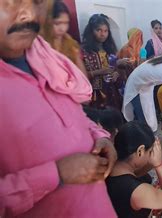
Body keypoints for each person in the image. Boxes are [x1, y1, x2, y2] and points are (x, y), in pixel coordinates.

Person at [0, 0, 117, 216]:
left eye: (35, 2)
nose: (27, 14)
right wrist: (56, 174)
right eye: (9, 3)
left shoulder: (48, 60)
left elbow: (73, 115)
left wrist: (99, 136)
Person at [106, 121, 162, 218]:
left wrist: (154, 163)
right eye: (150, 152)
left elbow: (136, 172)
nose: (151, 156)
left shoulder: (111, 165)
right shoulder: (136, 190)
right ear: (140, 151)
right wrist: (159, 165)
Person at [81, 14, 127, 109]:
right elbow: (80, 75)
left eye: (106, 31)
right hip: (94, 96)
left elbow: (115, 69)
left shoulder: (110, 49)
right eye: (99, 30)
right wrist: (99, 72)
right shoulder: (83, 51)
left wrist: (116, 74)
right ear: (91, 31)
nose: (103, 34)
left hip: (112, 93)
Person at [41, 0, 87, 74]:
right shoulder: (39, 45)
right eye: (57, 23)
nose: (63, 28)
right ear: (47, 22)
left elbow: (82, 75)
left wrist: (76, 56)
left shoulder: (70, 43)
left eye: (66, 23)